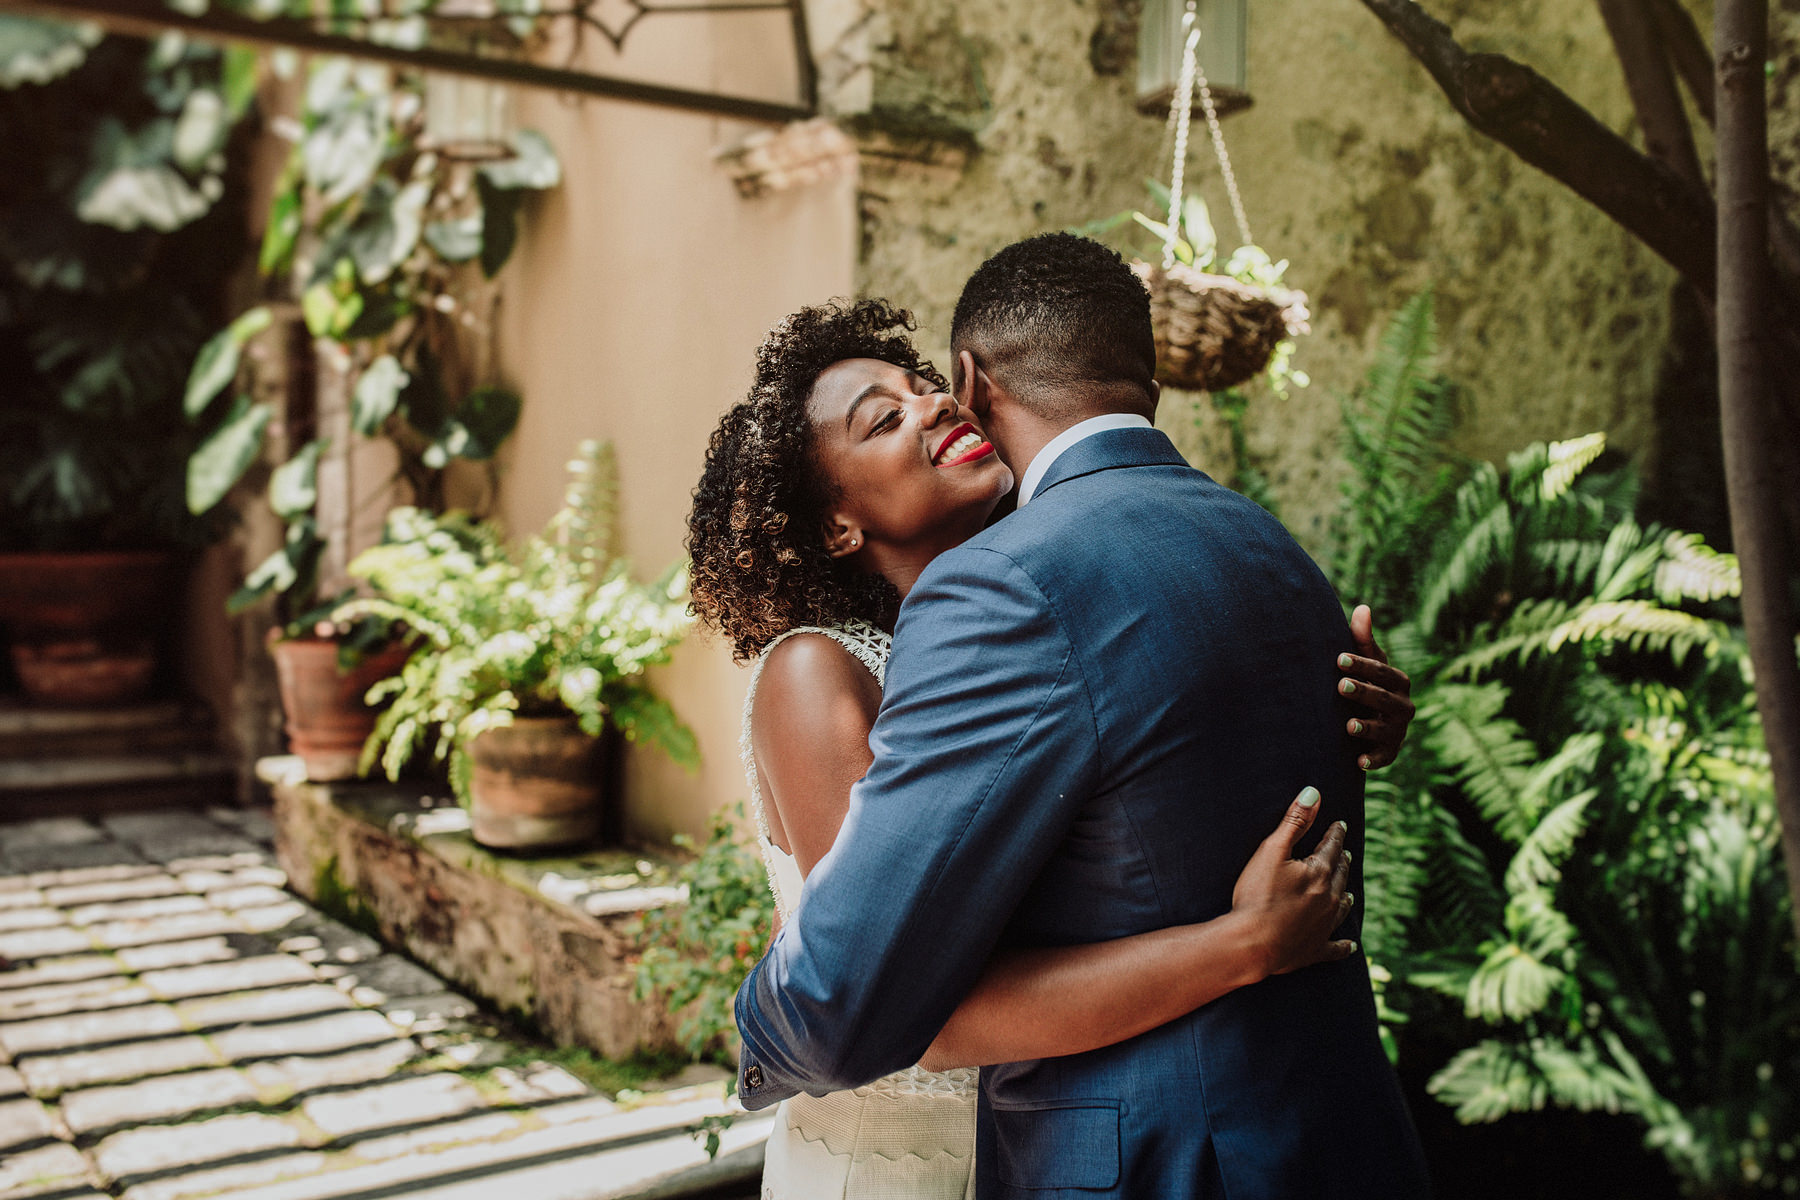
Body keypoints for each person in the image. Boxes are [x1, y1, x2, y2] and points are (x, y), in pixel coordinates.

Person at [688, 268, 1423, 1196]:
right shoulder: (820, 670)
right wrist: (1236, 947)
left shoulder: (1032, 603)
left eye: (924, 386)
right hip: (902, 1160)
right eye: (882, 420)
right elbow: (896, 992)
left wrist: (1341, 716)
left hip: (1075, 1140)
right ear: (835, 526)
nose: (930, 407)